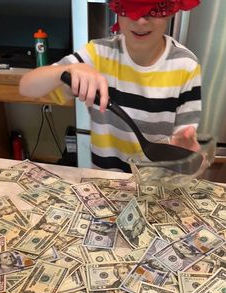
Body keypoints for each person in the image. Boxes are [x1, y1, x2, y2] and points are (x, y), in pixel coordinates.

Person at [19, 0, 201, 172]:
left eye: (153, 10)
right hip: (105, 180)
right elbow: (26, 87)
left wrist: (187, 152)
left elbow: (186, 149)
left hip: (156, 184)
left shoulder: (186, 65)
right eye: (130, 10)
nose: (140, 21)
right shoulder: (98, 54)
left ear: (171, 10)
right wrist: (67, 69)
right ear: (117, 9)